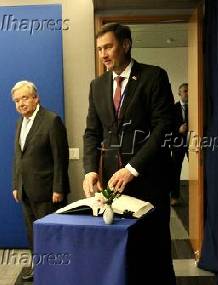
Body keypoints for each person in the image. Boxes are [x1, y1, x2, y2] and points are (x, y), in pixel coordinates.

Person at [83, 23, 176, 284]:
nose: (103, 54)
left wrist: (133, 168)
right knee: (122, 251)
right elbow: (92, 132)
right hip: (112, 185)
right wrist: (90, 169)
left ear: (125, 45)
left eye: (108, 47)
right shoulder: (97, 85)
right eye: (99, 49)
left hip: (148, 180)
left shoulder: (153, 77)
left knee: (153, 251)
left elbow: (163, 128)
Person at [11, 80, 70, 281]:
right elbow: (18, 156)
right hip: (26, 190)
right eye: (17, 100)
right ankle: (40, 269)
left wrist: (59, 188)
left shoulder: (52, 120)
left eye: (25, 98)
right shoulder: (20, 122)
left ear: (36, 98)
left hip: (48, 192)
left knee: (50, 234)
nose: (21, 103)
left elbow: (60, 158)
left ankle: (56, 273)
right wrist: (16, 185)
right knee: (32, 234)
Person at [171, 83, 189, 206]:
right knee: (175, 170)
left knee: (198, 170)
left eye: (189, 91)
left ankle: (199, 197)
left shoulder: (196, 108)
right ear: (179, 93)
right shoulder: (173, 108)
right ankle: (175, 197)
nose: (188, 94)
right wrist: (178, 130)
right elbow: (167, 127)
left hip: (193, 142)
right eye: (185, 91)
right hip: (177, 143)